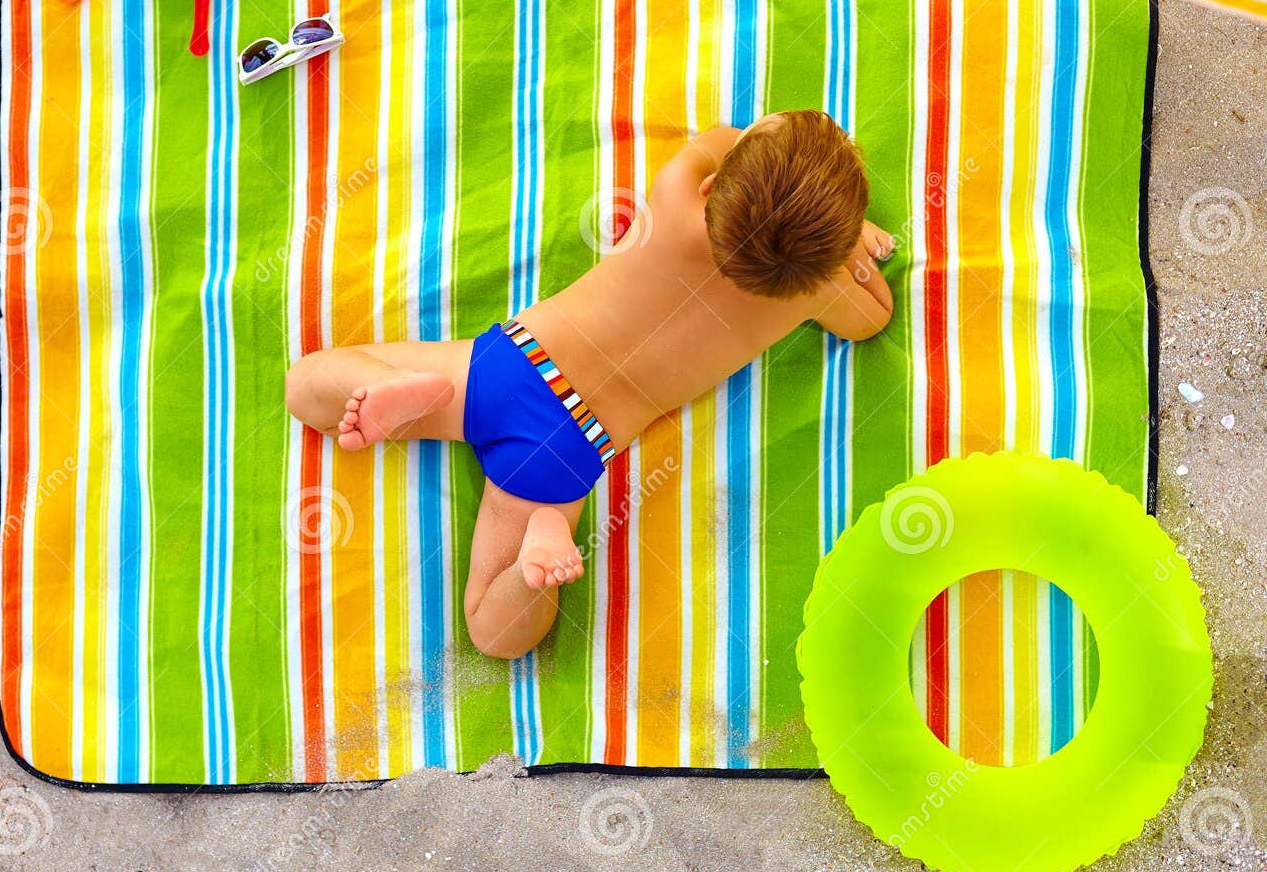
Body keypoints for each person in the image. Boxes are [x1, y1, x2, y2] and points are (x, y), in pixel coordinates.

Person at [284, 110, 895, 659]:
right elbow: (874, 319)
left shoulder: (678, 194)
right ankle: (531, 565)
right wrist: (847, 252)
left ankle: (397, 385)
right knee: (492, 636)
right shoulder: (816, 292)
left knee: (305, 384)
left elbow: (716, 143)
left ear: (715, 188)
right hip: (571, 445)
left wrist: (767, 158)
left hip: (517, 364)